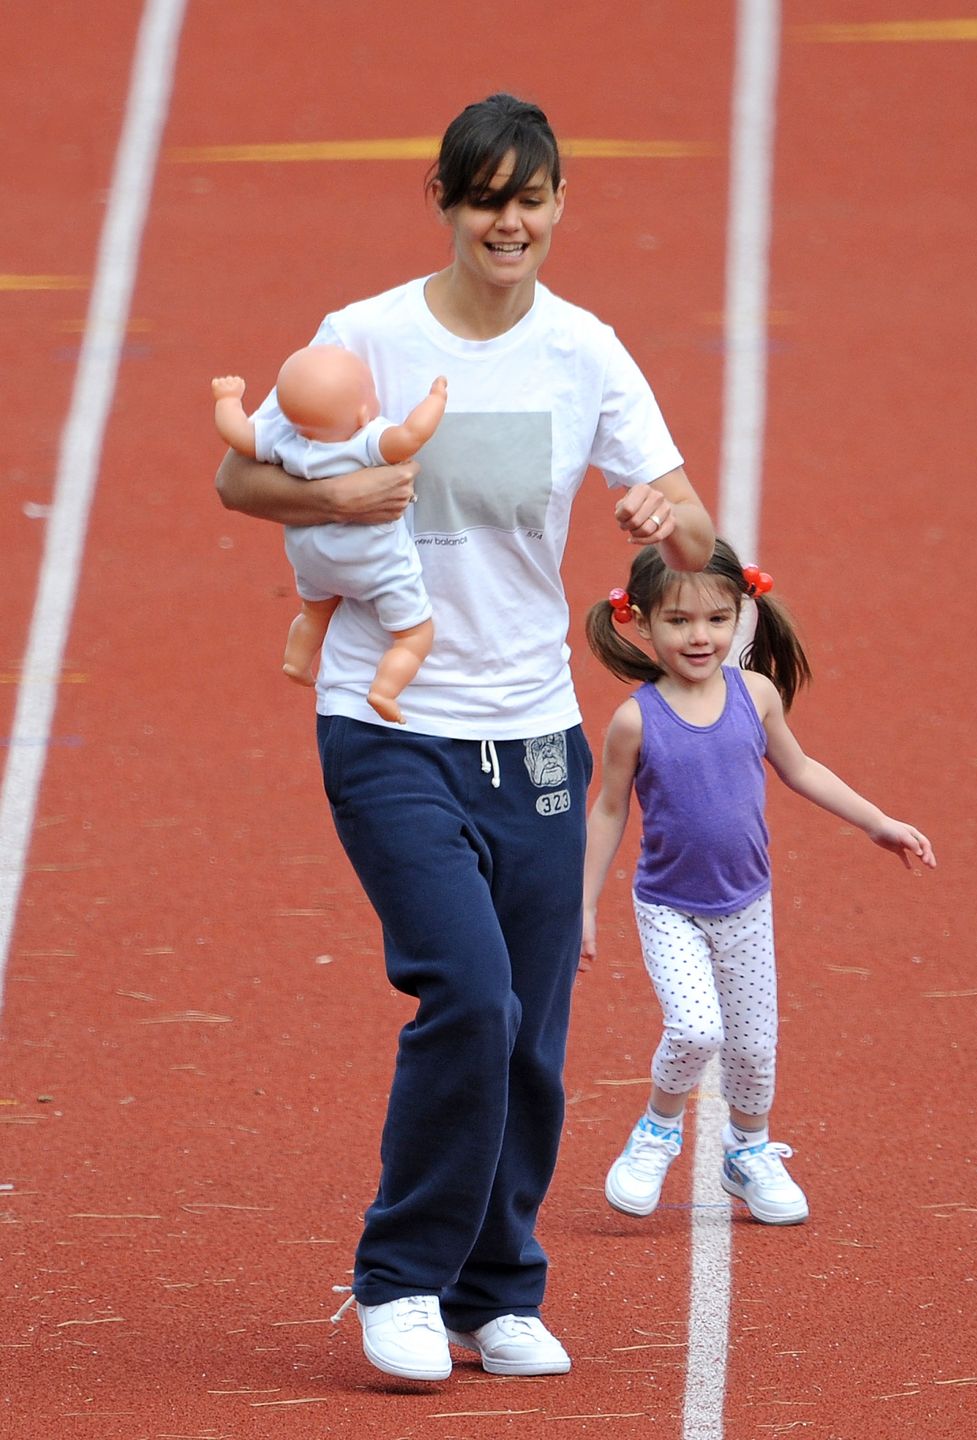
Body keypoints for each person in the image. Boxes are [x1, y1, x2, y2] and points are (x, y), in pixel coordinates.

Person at [214, 92, 714, 1383]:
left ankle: (498, 1292)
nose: (512, 220)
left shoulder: (585, 354)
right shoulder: (365, 337)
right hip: (389, 722)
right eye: (487, 195)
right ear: (442, 203)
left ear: (558, 208)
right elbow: (239, 478)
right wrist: (351, 487)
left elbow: (699, 533)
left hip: (534, 733)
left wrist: (672, 516)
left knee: (534, 1025)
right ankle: (399, 1278)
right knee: (470, 992)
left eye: (533, 197)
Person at [581, 539, 936, 1226]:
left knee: (751, 1047)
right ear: (642, 622)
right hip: (669, 907)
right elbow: (608, 809)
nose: (699, 636)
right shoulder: (635, 720)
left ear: (741, 614)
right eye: (679, 621)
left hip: (745, 906)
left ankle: (746, 1153)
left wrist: (877, 822)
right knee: (694, 1031)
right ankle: (657, 1130)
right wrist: (584, 903)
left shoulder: (757, 695)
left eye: (716, 619)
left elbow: (801, 770)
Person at [211, 348, 448, 720]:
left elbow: (238, 434)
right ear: (362, 412)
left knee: (314, 612)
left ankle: (297, 659)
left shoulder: (284, 439)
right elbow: (411, 435)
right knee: (415, 636)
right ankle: (385, 690)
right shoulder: (366, 440)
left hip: (312, 558)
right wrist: (435, 399)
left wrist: (227, 400)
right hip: (373, 565)